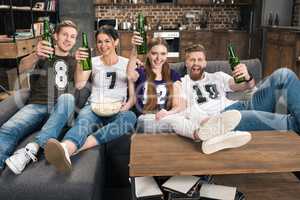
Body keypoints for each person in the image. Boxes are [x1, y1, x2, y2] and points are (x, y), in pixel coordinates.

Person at [165, 44, 300, 154]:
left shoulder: (218, 76)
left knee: (284, 74)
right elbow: (181, 108)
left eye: (199, 59)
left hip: (244, 105)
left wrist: (247, 77)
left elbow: (246, 86)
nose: (196, 63)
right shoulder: (181, 83)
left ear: (205, 62)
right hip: (226, 118)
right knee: (291, 123)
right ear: (186, 63)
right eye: (192, 60)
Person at [43, 25, 137, 173]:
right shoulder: (92, 61)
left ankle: (77, 147)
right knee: (83, 121)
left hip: (117, 109)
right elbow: (80, 84)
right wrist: (81, 62)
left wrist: (126, 106)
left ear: (116, 42)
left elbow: (132, 96)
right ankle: (65, 147)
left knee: (130, 117)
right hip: (94, 106)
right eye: (99, 42)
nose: (103, 46)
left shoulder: (127, 63)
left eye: (107, 41)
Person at [2, 20, 79, 174]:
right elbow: (22, 67)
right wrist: (36, 55)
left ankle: (32, 149)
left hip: (61, 108)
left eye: (72, 36)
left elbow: (80, 84)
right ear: (55, 36)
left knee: (68, 98)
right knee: (6, 129)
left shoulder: (75, 61)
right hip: (36, 104)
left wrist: (84, 62)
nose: (68, 39)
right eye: (65, 34)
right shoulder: (43, 55)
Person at [127, 33, 185, 132]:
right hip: (145, 120)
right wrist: (134, 49)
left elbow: (179, 105)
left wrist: (167, 113)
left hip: (166, 118)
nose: (159, 58)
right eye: (154, 53)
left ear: (167, 55)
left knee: (182, 121)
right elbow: (130, 75)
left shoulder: (173, 75)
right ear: (148, 54)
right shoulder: (141, 72)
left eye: (163, 54)